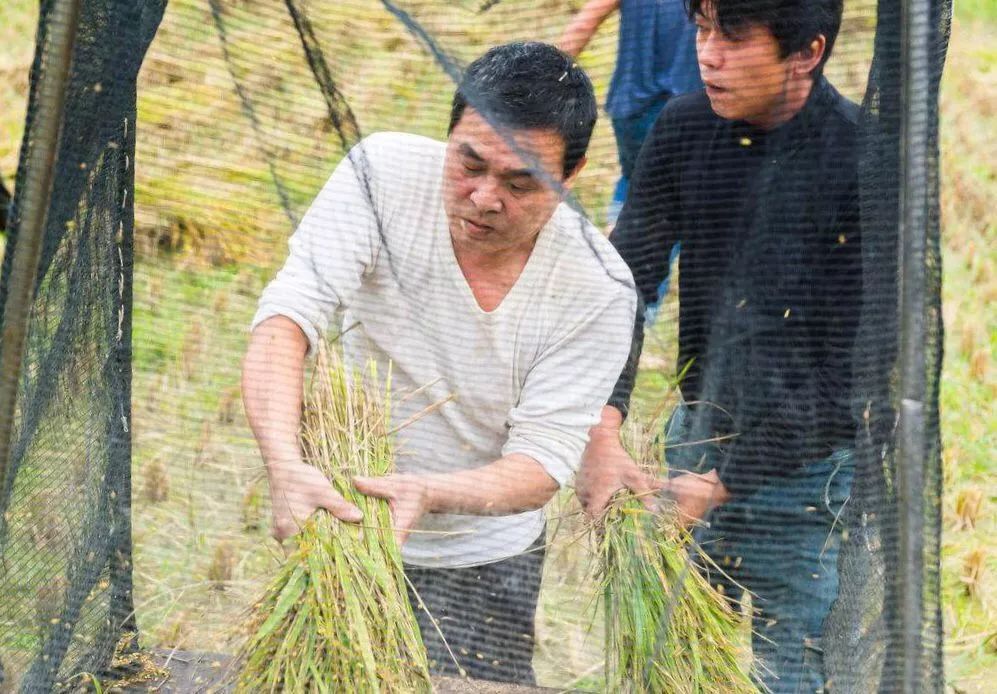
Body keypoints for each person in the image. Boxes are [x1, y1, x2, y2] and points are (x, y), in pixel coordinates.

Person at [241, 42, 636, 685]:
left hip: (484, 555)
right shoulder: (382, 175)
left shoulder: (597, 288)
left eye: (520, 182)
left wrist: (428, 493)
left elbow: (541, 464)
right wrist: (286, 468)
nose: (483, 198)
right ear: (448, 134)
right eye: (469, 164)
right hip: (344, 526)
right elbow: (287, 321)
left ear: (572, 175)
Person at [576, 0, 861, 691]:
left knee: (790, 672)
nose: (706, 53)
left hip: (805, 474)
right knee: (665, 663)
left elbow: (851, 380)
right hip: (693, 440)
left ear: (807, 51)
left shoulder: (863, 161)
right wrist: (603, 426)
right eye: (701, 30)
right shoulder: (681, 129)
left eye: (732, 36)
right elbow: (623, 283)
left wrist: (723, 481)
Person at [558, 0, 702, 311]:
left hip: (631, 110)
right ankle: (629, 308)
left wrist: (546, 75)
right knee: (671, 210)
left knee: (635, 184)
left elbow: (588, 18)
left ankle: (611, 268)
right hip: (686, 113)